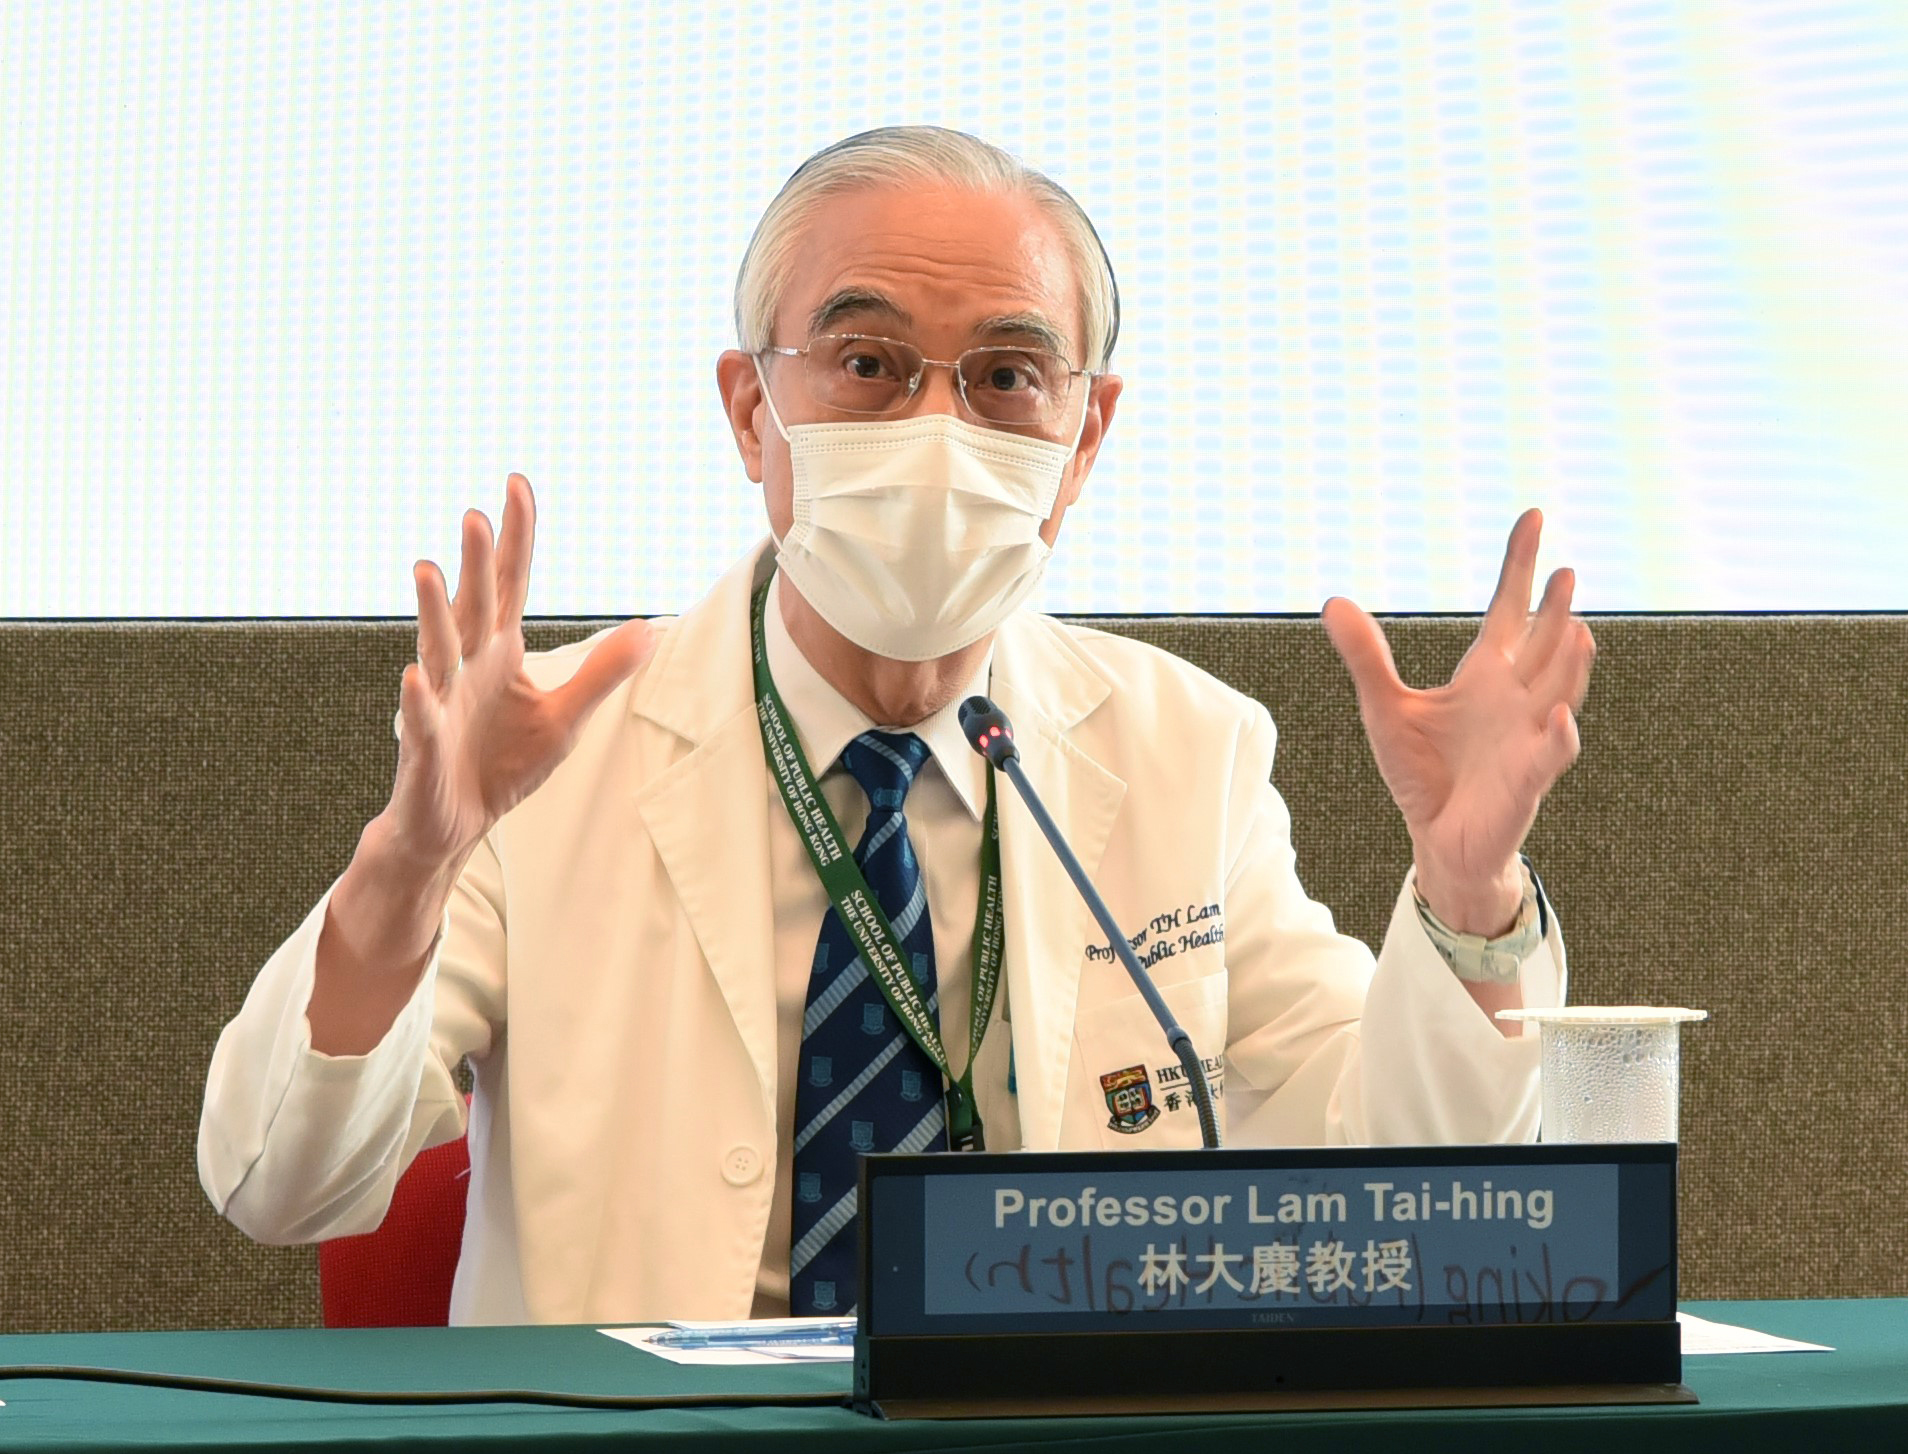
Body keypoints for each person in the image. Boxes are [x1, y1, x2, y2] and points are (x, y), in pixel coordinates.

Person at [199, 126, 1594, 1325]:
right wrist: (410, 863)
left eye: (1003, 376)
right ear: (754, 409)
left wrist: (1467, 888)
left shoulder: (1187, 748)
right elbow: (282, 1182)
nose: (937, 425)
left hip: (1044, 1449)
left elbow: (1408, 1183)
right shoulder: (549, 756)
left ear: (1084, 435)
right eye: (868, 364)